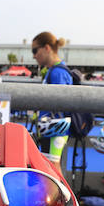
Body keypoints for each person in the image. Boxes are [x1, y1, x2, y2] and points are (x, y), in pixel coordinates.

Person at [31, 31, 73, 176]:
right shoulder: (54, 71)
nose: (34, 55)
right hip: (52, 129)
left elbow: (60, 104)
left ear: (47, 48)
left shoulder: (57, 73)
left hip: (54, 129)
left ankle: (62, 198)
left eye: (35, 50)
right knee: (50, 168)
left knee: (52, 169)